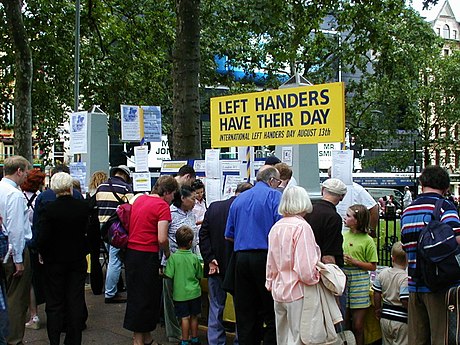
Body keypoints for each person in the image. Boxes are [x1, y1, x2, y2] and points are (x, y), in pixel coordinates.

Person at [400, 165, 460, 345]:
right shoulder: (444, 207)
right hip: (440, 286)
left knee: (417, 339)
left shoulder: (408, 210)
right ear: (446, 187)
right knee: (442, 338)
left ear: (422, 183)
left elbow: (405, 245)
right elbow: (456, 239)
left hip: (414, 285)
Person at [224, 166, 282, 345]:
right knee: (272, 311)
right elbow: (279, 232)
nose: (278, 185)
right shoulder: (275, 197)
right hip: (266, 258)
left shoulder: (239, 200)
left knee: (245, 312)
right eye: (278, 182)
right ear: (271, 180)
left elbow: (228, 235)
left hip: (241, 259)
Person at [123, 175, 178, 345]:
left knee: (136, 296)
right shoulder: (162, 206)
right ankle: (138, 340)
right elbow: (162, 238)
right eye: (173, 195)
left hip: (131, 253)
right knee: (146, 299)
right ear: (167, 192)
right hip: (147, 256)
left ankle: (146, 338)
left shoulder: (139, 200)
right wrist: (168, 254)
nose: (173, 199)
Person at [37, 172, 90, 345]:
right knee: (75, 300)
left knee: (54, 304)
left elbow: (42, 237)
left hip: (54, 261)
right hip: (76, 259)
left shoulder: (48, 209)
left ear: (53, 189)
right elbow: (91, 234)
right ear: (70, 187)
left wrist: (42, 252)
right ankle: (73, 340)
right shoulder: (83, 207)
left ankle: (54, 340)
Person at [266, 186, 321, 345]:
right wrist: (315, 277)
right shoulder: (302, 227)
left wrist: (270, 282)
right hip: (298, 290)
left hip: (278, 288)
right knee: (299, 337)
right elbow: (305, 268)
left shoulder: (276, 227)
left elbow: (271, 261)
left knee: (282, 337)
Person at [199, 182, 253, 345]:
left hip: (216, 266)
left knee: (216, 306)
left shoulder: (215, 207)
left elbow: (203, 235)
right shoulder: (246, 210)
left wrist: (209, 258)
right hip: (238, 268)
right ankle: (240, 340)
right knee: (242, 308)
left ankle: (215, 342)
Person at [0, 155, 32, 345]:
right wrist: (18, 259)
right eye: (26, 171)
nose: (27, 175)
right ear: (19, 171)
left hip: (3, 247)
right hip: (13, 251)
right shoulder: (15, 195)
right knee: (16, 299)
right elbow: (17, 229)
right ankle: (13, 339)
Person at [162, 185, 198, 342]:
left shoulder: (191, 214)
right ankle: (174, 332)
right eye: (192, 198)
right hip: (173, 262)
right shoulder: (170, 213)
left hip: (189, 260)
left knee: (188, 304)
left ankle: (189, 334)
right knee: (171, 300)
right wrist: (167, 257)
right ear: (182, 198)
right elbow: (162, 237)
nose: (195, 201)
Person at [95, 165, 134, 303]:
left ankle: (114, 288)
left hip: (103, 227)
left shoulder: (101, 187)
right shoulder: (125, 188)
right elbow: (131, 208)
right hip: (117, 228)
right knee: (115, 260)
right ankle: (110, 293)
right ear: (126, 176)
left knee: (112, 258)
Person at [342, 204, 378, 345]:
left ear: (357, 221)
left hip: (359, 281)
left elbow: (372, 265)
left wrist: (355, 262)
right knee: (345, 322)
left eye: (349, 216)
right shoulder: (343, 236)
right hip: (345, 278)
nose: (345, 218)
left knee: (358, 325)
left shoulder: (367, 240)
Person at [164, 226, 203, 345]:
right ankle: (195, 339)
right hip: (195, 293)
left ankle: (185, 340)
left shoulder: (173, 258)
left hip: (180, 294)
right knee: (194, 316)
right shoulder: (194, 258)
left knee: (184, 318)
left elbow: (169, 275)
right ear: (190, 242)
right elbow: (199, 275)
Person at [21, 169, 46, 330]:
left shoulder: (19, 197)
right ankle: (35, 315)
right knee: (35, 280)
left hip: (23, 242)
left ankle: (31, 314)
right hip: (36, 242)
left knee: (26, 281)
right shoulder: (40, 199)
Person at [372, 242, 408, 345]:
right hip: (401, 319)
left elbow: (377, 293)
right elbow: (404, 299)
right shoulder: (405, 277)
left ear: (392, 258)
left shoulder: (383, 273)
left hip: (385, 316)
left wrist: (377, 309)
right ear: (407, 260)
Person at [305, 178, 347, 266]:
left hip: (306, 261)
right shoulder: (334, 218)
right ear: (342, 196)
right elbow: (329, 254)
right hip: (322, 267)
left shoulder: (308, 211)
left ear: (322, 190)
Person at [330, 167, 379, 237]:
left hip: (354, 234)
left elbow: (373, 207)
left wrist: (370, 230)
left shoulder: (356, 189)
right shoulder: (327, 190)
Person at [86, 170, 108, 295]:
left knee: (94, 258)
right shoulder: (105, 195)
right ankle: (117, 285)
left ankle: (96, 287)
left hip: (92, 228)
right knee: (113, 258)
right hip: (105, 226)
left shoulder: (89, 196)